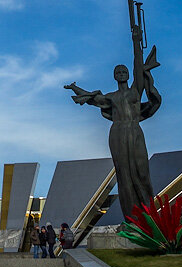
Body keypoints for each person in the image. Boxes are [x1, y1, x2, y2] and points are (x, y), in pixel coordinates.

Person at [65, 11, 161, 219]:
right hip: (117, 133)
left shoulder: (135, 91)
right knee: (124, 175)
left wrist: (136, 41)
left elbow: (138, 68)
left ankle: (150, 218)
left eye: (123, 71)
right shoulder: (111, 97)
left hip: (134, 130)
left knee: (142, 173)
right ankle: (132, 219)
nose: (121, 74)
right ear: (114, 76)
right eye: (117, 72)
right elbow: (93, 99)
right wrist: (76, 88)